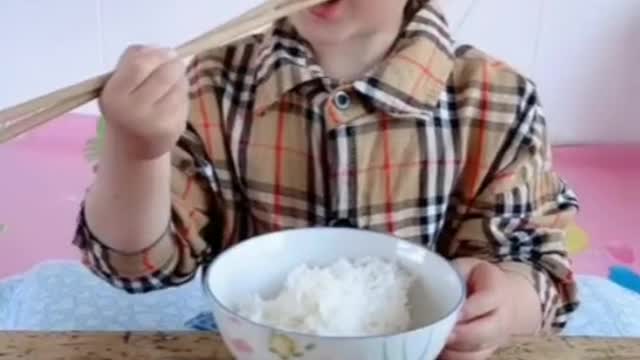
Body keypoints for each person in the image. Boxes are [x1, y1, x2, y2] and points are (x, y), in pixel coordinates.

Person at [73, 0, 579, 358]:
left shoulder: (497, 101)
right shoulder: (209, 85)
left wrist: (503, 306)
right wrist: (136, 154)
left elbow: (539, 269)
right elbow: (138, 268)